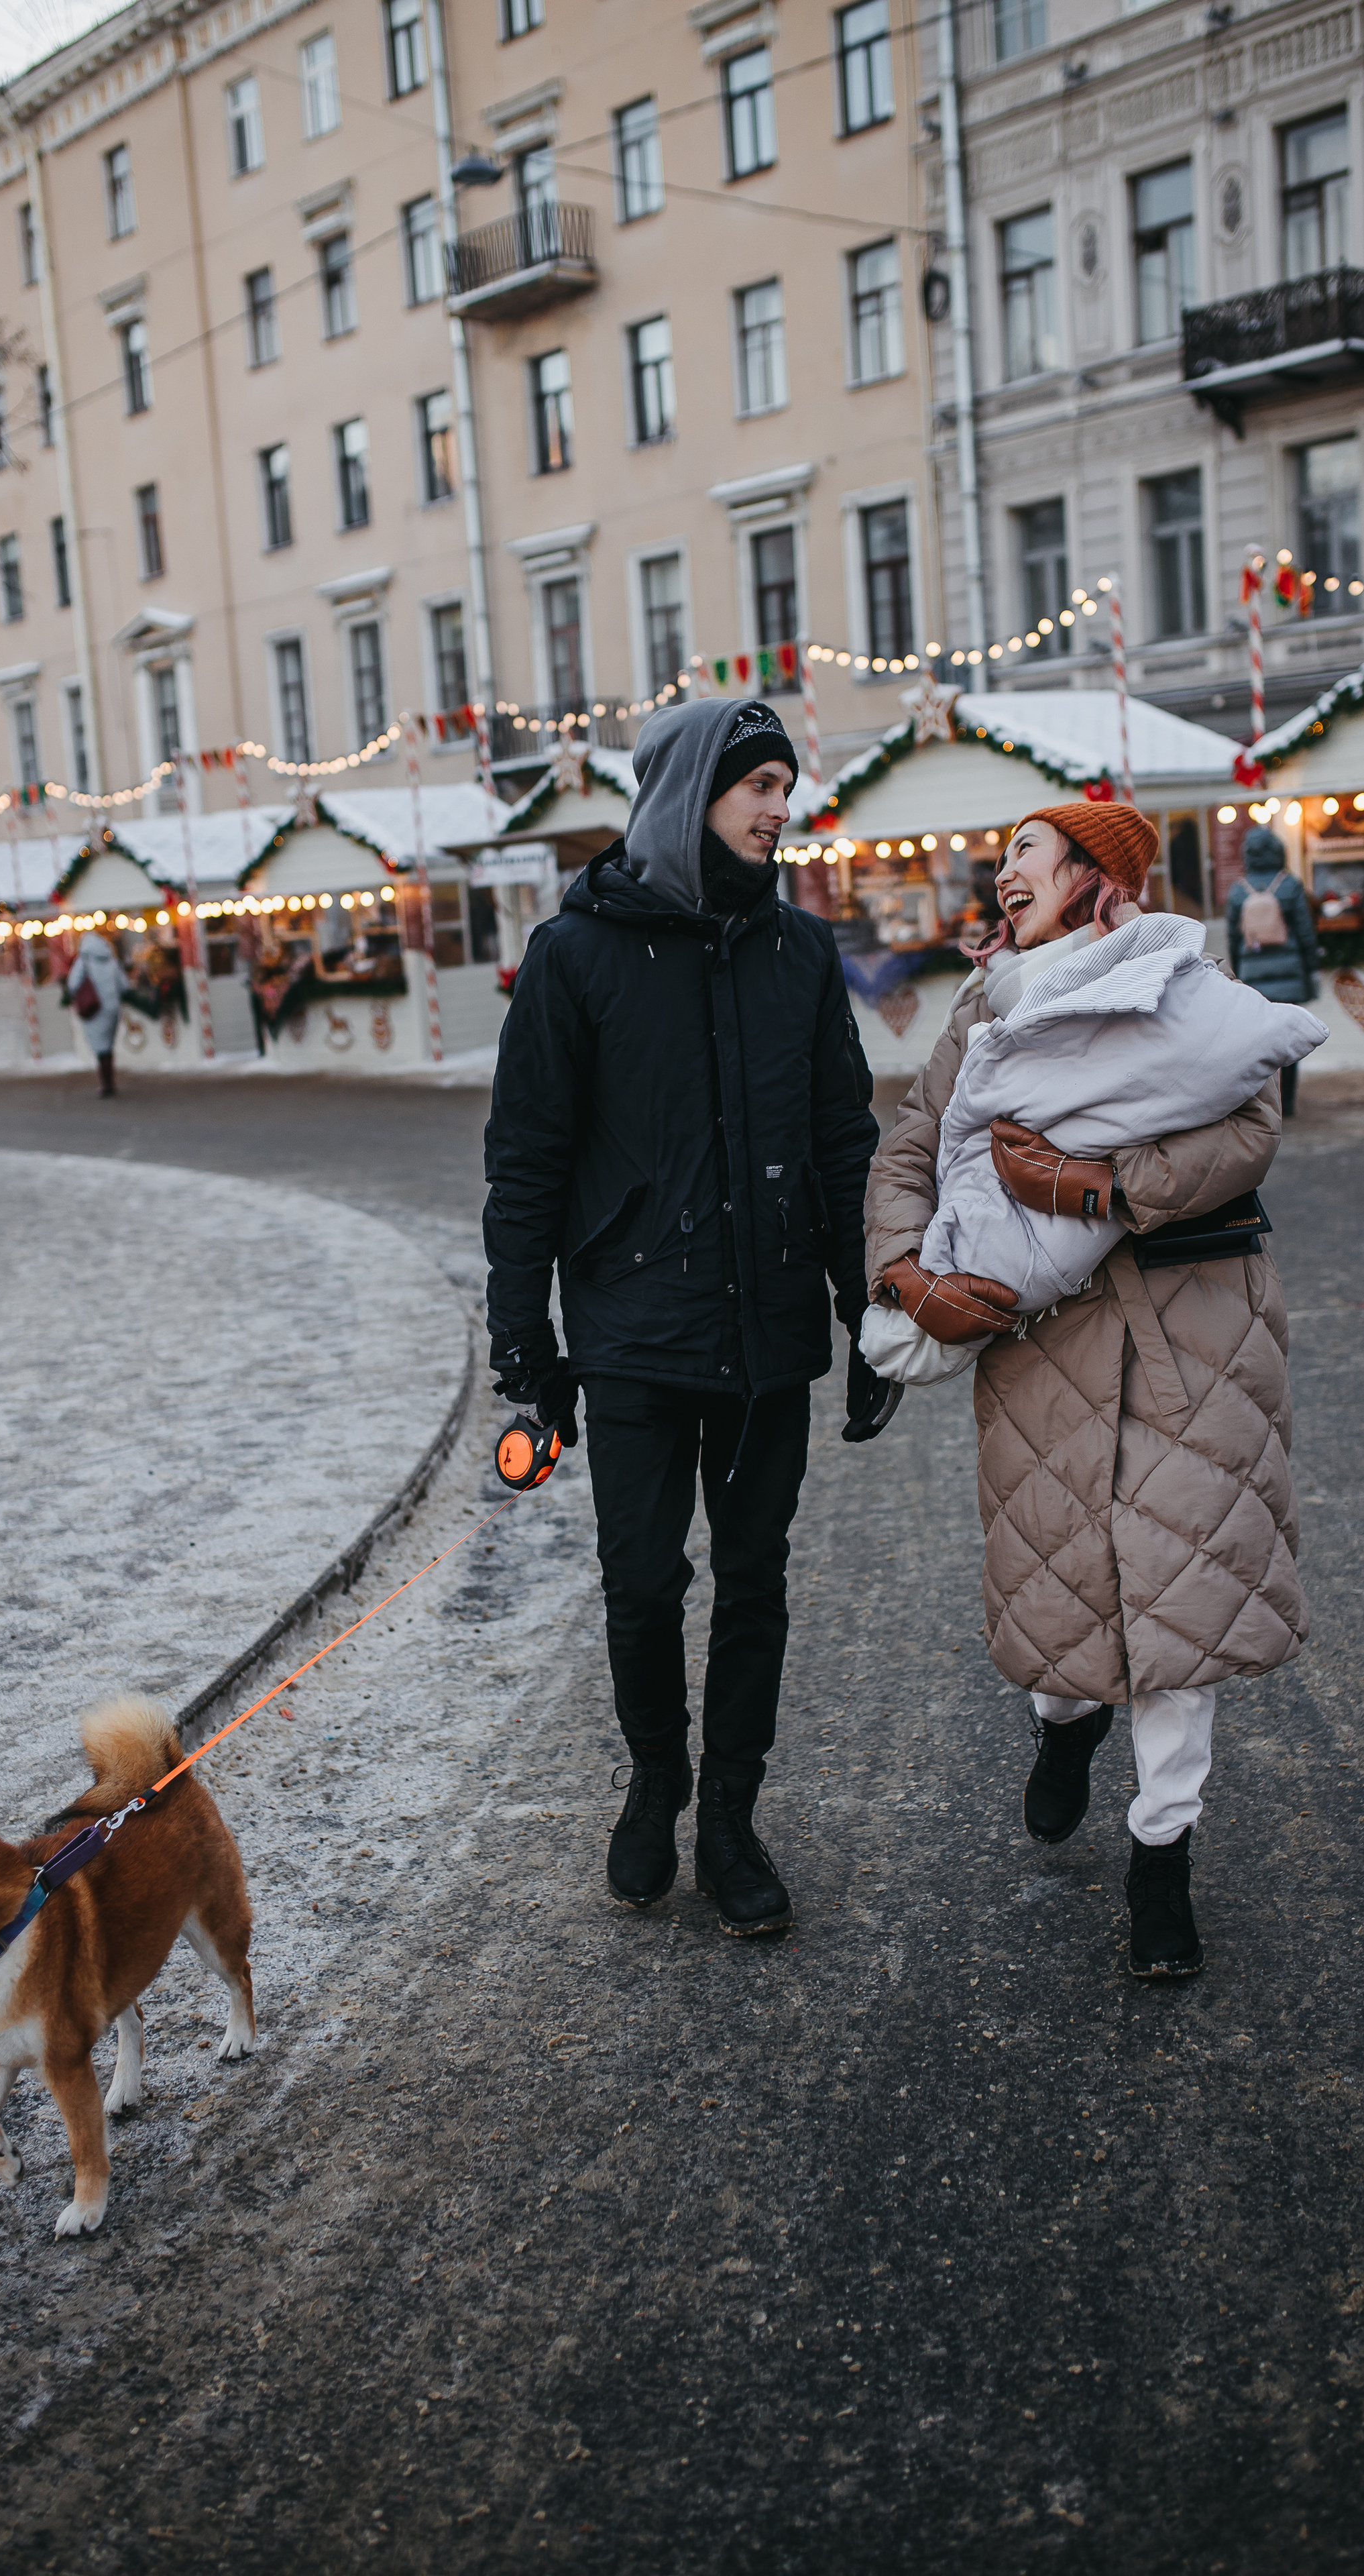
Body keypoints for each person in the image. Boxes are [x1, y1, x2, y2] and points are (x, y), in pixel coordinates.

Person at [866, 802, 1310, 1980]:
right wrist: (904, 1271)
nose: (1003, 870)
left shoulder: (1185, 982)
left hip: (1190, 1334)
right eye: (1001, 853)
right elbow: (912, 1145)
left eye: (1027, 852)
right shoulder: (985, 1010)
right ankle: (1064, 1730)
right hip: (1041, 1350)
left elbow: (1250, 1130)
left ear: (1094, 878)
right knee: (1069, 1584)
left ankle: (1161, 1859)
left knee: (1180, 1602)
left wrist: (1098, 1184)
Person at [483, 699, 886, 1936]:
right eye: (756, 782)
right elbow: (528, 1162)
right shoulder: (576, 955)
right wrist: (526, 1348)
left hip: (768, 1332)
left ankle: (730, 1818)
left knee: (754, 1583)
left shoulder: (801, 955)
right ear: (686, 792)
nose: (779, 807)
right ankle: (656, 1779)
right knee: (643, 1584)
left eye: (786, 785)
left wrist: (864, 1312)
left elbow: (841, 1144)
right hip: (636, 1334)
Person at [1226, 824, 1319, 1116]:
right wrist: (1311, 968)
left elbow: (1233, 935)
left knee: (1261, 1043)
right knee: (1288, 1041)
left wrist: (1239, 973)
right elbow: (1305, 931)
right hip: (1289, 973)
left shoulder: (1239, 890)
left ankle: (1268, 1104)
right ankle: (1288, 1102)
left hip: (1254, 977)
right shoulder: (1289, 885)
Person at [67, 928, 125, 1097]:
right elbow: (124, 985)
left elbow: (73, 984)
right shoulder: (112, 960)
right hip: (113, 1008)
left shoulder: (83, 961)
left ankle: (106, 1084)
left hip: (94, 1008)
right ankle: (110, 1082)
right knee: (108, 1046)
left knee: (100, 1048)